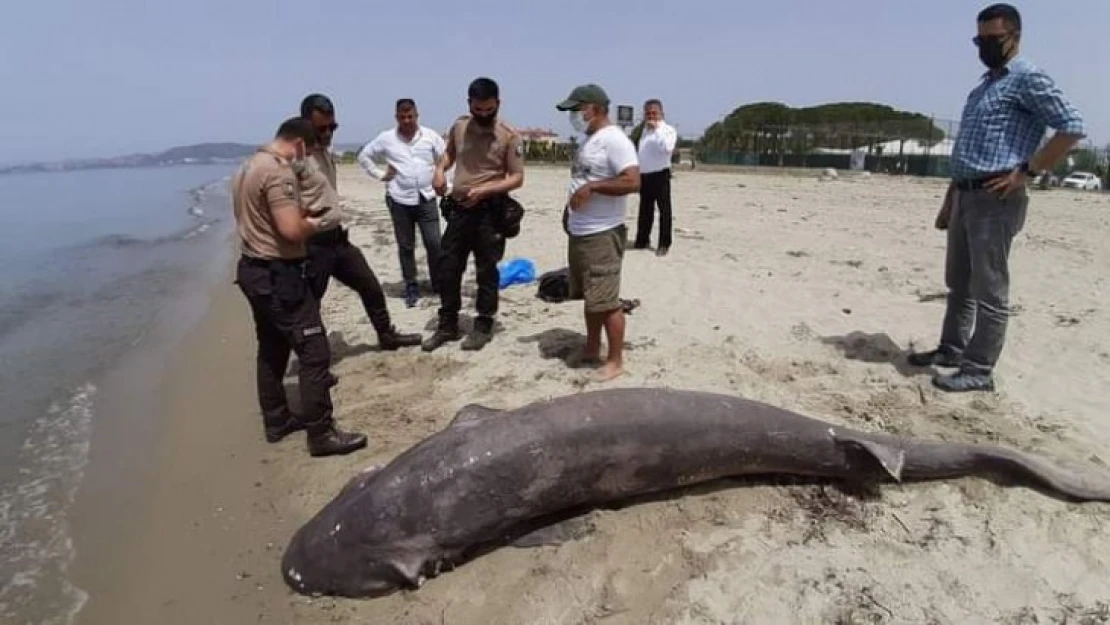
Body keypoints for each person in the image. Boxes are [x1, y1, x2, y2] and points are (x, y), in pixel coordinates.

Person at [908, 3, 1086, 392]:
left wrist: (1028, 172)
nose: (985, 45)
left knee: (990, 289)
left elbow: (1071, 127)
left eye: (994, 39)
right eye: (979, 39)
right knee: (958, 282)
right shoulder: (984, 86)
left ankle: (979, 369)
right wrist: (949, 199)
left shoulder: (1028, 78)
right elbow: (968, 152)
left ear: (1015, 37)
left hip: (996, 197)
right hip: (965, 194)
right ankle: (951, 350)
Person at [231, 117, 367, 457]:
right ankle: (321, 433)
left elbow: (265, 218)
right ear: (302, 145)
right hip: (278, 274)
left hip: (252, 269)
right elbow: (290, 231)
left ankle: (277, 421)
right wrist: (320, 221)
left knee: (273, 347)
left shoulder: (249, 165)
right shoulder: (278, 171)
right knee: (314, 350)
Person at [299, 93, 422, 350]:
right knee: (310, 306)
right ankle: (314, 359)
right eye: (322, 128)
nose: (328, 132)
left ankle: (387, 336)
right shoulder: (297, 158)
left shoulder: (325, 151)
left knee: (371, 287)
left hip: (337, 240)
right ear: (305, 123)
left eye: (332, 127)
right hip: (312, 246)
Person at [423, 77, 526, 352]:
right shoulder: (459, 126)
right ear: (469, 104)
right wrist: (439, 171)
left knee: (486, 270)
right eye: (477, 109)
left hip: (490, 212)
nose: (482, 115)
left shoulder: (509, 136)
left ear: (498, 104)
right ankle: (448, 324)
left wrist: (485, 190)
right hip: (459, 210)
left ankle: (483, 324)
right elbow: (448, 156)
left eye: (488, 110)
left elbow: (517, 178)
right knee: (448, 266)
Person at [555, 84, 640, 382]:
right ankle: (592, 347)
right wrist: (569, 211)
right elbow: (580, 179)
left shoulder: (615, 140)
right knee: (591, 298)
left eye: (577, 110)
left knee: (607, 301)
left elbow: (632, 181)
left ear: (594, 108)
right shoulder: (587, 139)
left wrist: (593, 188)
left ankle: (615, 360)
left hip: (603, 233)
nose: (574, 116)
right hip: (581, 231)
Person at [357, 98, 446, 308]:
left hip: (426, 198)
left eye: (410, 116)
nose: (407, 120)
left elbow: (445, 157)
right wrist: (381, 175)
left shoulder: (430, 136)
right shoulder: (386, 138)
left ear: (417, 115)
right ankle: (411, 284)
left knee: (435, 243)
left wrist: (443, 180)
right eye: (402, 117)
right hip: (399, 199)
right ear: (397, 117)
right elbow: (364, 156)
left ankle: (438, 282)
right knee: (406, 246)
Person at [633, 98, 677, 256]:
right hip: (645, 175)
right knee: (645, 209)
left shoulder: (668, 130)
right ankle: (642, 239)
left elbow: (667, 148)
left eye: (654, 113)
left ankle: (664, 243)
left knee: (664, 211)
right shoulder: (644, 131)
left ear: (661, 113)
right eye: (648, 113)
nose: (651, 116)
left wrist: (657, 130)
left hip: (661, 174)